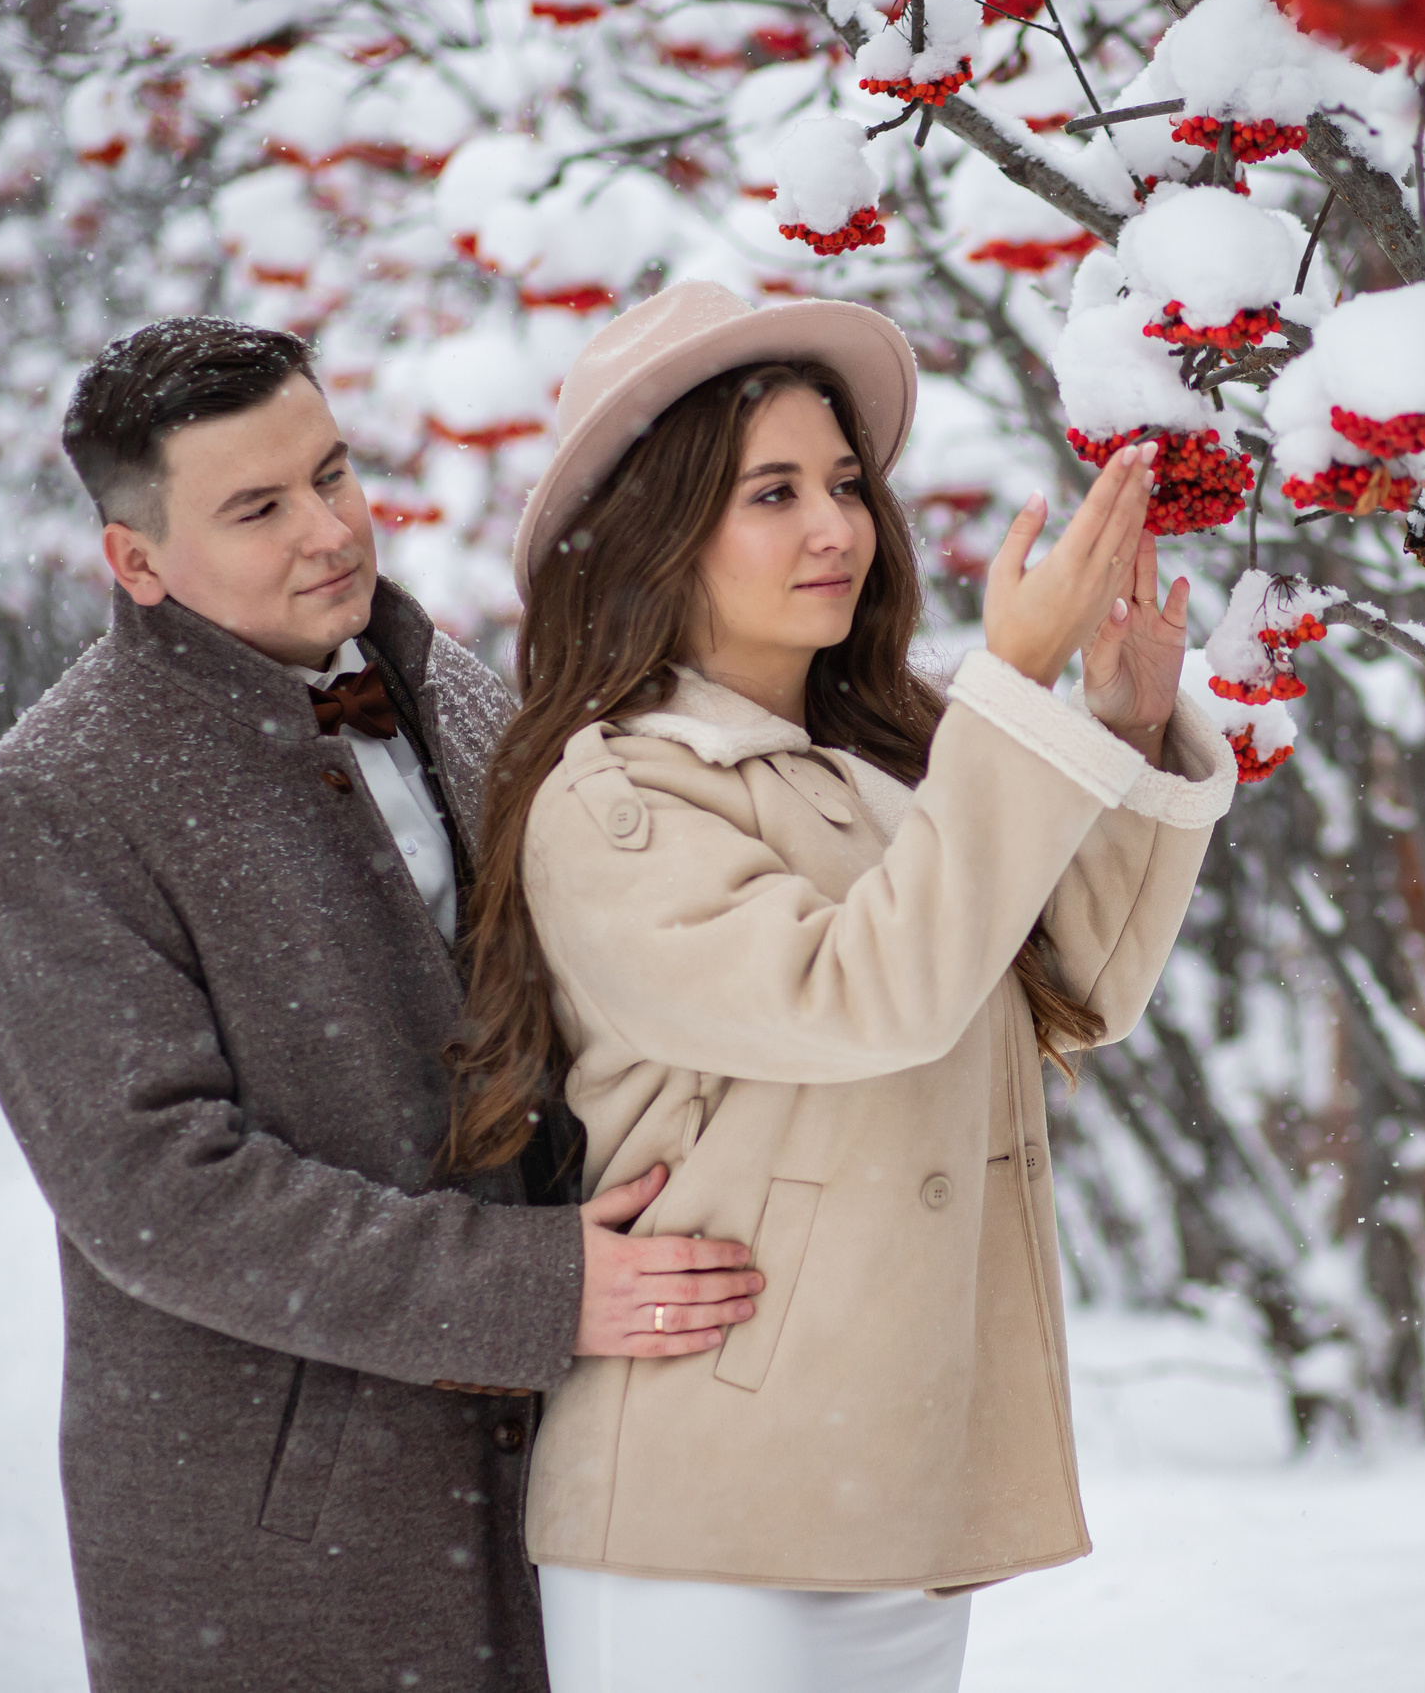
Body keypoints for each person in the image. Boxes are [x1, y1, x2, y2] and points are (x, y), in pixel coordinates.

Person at [0, 317, 766, 1692]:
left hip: (569, 1479)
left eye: (331, 472)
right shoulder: (52, 807)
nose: (329, 530)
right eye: (258, 507)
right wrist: (536, 1287)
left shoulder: (446, 685)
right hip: (293, 1541)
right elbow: (159, 1194)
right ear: (135, 561)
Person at [442, 282, 1235, 1693]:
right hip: (701, 1505)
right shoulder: (618, 798)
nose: (837, 528)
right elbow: (868, 999)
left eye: (848, 484)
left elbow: (1074, 988)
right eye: (773, 493)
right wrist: (1012, 687)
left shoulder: (884, 770)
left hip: (891, 1480)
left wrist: (1118, 721)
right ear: (655, 536)